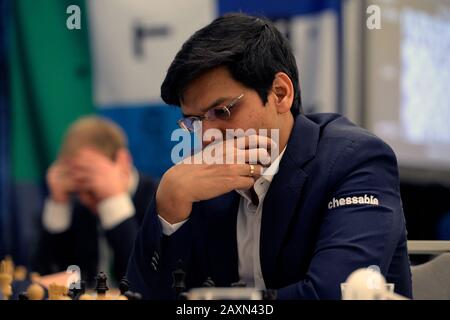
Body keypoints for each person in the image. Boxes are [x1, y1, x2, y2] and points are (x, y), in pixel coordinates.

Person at [126, 13, 413, 299]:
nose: (205, 136)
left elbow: (330, 294)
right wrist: (169, 203)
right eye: (194, 121)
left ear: (280, 93)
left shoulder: (355, 161)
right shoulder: (203, 180)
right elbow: (139, 295)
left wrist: (210, 304)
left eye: (222, 111)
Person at [35, 116, 157, 284]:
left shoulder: (159, 199)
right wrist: (58, 205)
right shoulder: (78, 206)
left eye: (91, 188)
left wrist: (112, 200)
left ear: (123, 161)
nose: (85, 199)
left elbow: (148, 280)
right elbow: (48, 278)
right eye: (79, 189)